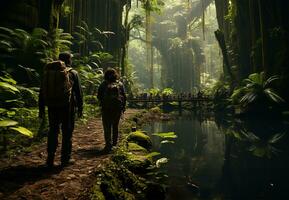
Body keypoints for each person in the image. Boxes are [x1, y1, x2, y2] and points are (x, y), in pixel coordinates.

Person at [39, 52, 83, 168]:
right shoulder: (73, 73)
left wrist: (41, 108)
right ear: (69, 60)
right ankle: (65, 159)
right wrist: (80, 108)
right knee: (67, 132)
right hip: (67, 107)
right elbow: (78, 93)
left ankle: (50, 157)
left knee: (53, 130)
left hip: (52, 106)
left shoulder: (49, 73)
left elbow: (42, 91)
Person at [97, 68, 126, 152]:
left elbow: (99, 96)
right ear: (115, 75)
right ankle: (114, 145)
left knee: (107, 127)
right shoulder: (120, 84)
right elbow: (124, 96)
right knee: (115, 126)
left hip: (106, 109)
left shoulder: (103, 84)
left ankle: (108, 145)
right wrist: (123, 107)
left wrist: (103, 102)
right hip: (117, 109)